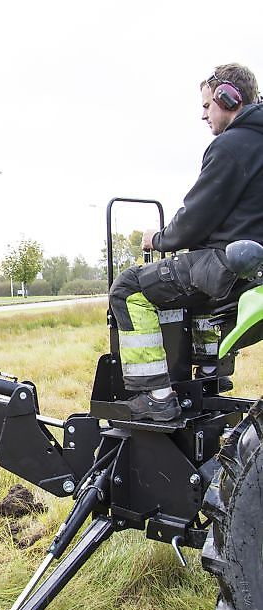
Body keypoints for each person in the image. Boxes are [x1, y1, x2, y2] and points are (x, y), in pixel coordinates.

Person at [109, 63, 263, 421]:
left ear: (229, 98)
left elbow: (195, 218)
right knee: (201, 294)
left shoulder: (231, 147)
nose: (204, 114)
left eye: (208, 105)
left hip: (223, 263)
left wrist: (159, 239)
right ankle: (210, 374)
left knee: (128, 289)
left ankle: (157, 394)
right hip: (250, 271)